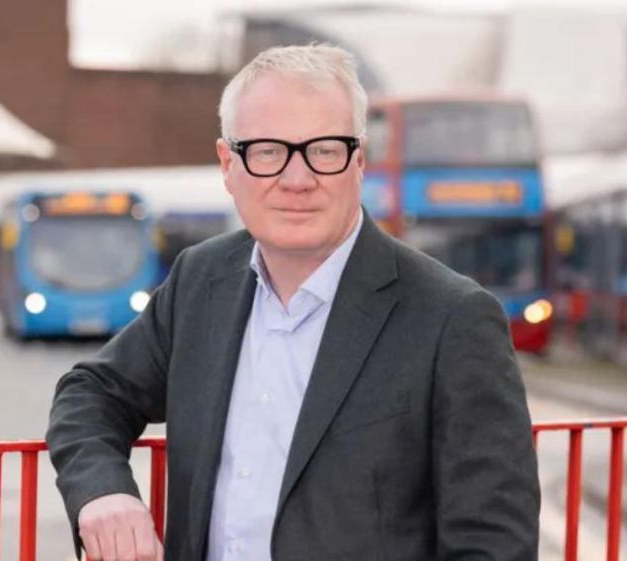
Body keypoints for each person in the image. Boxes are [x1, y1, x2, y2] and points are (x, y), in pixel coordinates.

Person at [47, 44, 539, 561]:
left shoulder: (453, 318)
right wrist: (103, 492)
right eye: (266, 151)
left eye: (324, 149)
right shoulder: (200, 280)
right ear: (227, 164)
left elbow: (493, 544)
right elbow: (90, 393)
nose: (297, 179)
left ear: (359, 161)